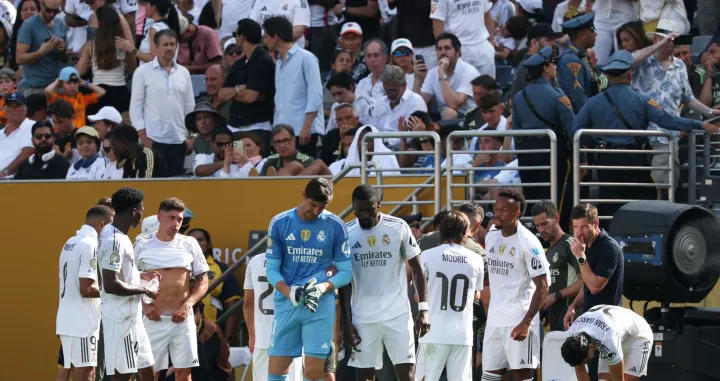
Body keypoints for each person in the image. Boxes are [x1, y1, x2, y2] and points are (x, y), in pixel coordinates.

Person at [572, 50, 719, 219]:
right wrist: (700, 123)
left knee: (609, 207)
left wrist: (594, 143)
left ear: (608, 76)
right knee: (641, 207)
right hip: (636, 159)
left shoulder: (593, 102)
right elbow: (668, 120)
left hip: (606, 160)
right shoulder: (641, 100)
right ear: (629, 74)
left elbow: (576, 127)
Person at [265, 178, 352, 381]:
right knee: (276, 372)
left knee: (313, 374)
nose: (316, 212)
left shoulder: (335, 225)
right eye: (313, 205)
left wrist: (322, 288)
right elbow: (271, 270)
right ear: (303, 194)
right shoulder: (280, 222)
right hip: (287, 302)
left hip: (319, 305)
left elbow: (346, 272)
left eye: (321, 208)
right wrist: (290, 292)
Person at [340, 184, 428, 381]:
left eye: (369, 209)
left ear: (378, 204)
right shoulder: (346, 233)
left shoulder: (398, 227)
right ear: (353, 206)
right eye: (359, 209)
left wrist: (423, 308)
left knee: (408, 375)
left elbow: (418, 268)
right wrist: (346, 322)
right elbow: (344, 282)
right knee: (364, 377)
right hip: (362, 318)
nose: (364, 215)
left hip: (397, 314)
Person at [134, 198, 210, 380]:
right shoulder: (141, 244)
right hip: (152, 318)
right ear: (160, 217)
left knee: (184, 373)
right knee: (148, 373)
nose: (176, 223)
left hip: (182, 319)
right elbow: (129, 279)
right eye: (171, 217)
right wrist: (144, 306)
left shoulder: (190, 243)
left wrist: (188, 305)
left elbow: (203, 280)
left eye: (180, 219)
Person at [482, 188, 550, 381]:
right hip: (495, 320)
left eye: (504, 209)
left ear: (517, 214)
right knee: (489, 375)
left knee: (521, 374)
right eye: (496, 208)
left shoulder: (528, 243)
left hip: (519, 318)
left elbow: (543, 286)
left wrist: (526, 322)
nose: (498, 213)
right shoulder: (491, 235)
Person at [512, 45, 575, 229]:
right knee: (555, 196)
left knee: (532, 196)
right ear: (546, 68)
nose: (556, 67)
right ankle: (556, 233)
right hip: (553, 152)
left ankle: (535, 231)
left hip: (527, 154)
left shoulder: (519, 96)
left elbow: (516, 130)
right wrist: (582, 159)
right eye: (553, 63)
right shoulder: (558, 95)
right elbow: (571, 128)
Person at [417, 211, 484, 381]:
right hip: (462, 333)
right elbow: (476, 295)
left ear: (441, 231)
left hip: (433, 332)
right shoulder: (476, 259)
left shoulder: (427, 256)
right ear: (464, 233)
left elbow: (419, 298)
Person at [99, 186, 157, 380]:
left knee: (148, 370)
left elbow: (121, 274)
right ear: (134, 211)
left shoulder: (117, 235)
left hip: (133, 318)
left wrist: (142, 276)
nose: (141, 215)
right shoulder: (113, 240)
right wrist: (144, 290)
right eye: (141, 210)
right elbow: (111, 284)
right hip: (120, 318)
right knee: (124, 375)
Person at [56, 205, 113, 381]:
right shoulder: (89, 245)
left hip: (69, 319)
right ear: (102, 225)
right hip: (82, 323)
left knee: (76, 372)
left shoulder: (71, 241)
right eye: (110, 226)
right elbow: (86, 289)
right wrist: (113, 290)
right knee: (86, 373)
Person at [129, 29, 195, 177]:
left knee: (175, 189)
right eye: (165, 44)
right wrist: (143, 136)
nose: (169, 48)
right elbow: (135, 107)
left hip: (179, 141)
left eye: (172, 44)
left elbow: (189, 107)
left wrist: (191, 137)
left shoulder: (184, 72)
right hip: (153, 139)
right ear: (156, 47)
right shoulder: (142, 72)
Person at [263, 16, 324, 158]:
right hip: (283, 135)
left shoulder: (306, 58)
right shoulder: (278, 63)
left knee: (305, 172)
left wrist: (307, 126)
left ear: (276, 37)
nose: (264, 41)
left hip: (303, 132)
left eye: (266, 37)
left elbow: (315, 94)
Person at [243, 246, 303, 381]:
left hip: (262, 337)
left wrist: (252, 334)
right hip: (291, 336)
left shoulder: (255, 261)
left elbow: (247, 303)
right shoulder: (299, 261)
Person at [219, 18, 275, 148]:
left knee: (255, 166)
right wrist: (239, 89)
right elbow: (221, 94)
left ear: (242, 36)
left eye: (235, 34)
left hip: (257, 128)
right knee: (238, 166)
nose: (235, 38)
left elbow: (250, 97)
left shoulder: (263, 60)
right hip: (235, 128)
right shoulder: (239, 64)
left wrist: (234, 92)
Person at [562, 305, 654, 381]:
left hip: (637, 336)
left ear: (590, 345)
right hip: (613, 331)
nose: (586, 362)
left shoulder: (608, 339)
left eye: (586, 359)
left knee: (627, 379)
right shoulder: (573, 337)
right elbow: (579, 368)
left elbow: (618, 379)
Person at [530, 200, 582, 332]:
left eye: (545, 224)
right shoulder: (549, 250)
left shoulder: (570, 245)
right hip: (555, 320)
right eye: (537, 226)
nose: (541, 230)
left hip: (571, 321)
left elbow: (585, 282)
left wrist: (556, 296)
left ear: (557, 218)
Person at [75, 5, 136, 117]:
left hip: (98, 93)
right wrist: (130, 50)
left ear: (99, 23)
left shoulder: (90, 46)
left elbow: (79, 72)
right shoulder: (123, 43)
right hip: (120, 94)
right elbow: (132, 69)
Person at [419, 33, 479, 120]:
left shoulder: (469, 71)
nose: (443, 52)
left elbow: (454, 105)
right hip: (443, 117)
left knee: (449, 112)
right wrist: (418, 79)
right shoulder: (433, 72)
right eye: (439, 49)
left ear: (457, 53)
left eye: (447, 48)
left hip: (469, 118)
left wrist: (442, 74)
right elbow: (420, 103)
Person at [15, 0, 68, 96]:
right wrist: (40, 52)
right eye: (48, 10)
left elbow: (63, 59)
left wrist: (63, 50)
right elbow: (19, 59)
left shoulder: (60, 24)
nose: (52, 14)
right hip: (35, 88)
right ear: (41, 4)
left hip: (56, 85)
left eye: (56, 11)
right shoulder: (29, 25)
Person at [430, 0, 495, 76]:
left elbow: (487, 15)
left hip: (482, 46)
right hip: (458, 48)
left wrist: (491, 40)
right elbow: (437, 24)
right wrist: (444, 50)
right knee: (458, 86)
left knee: (488, 85)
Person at [557, 13, 597, 113]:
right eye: (592, 30)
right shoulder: (571, 60)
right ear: (582, 35)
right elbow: (578, 97)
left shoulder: (581, 56)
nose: (595, 34)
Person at [192, 126, 261, 177]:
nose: (223, 148)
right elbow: (199, 171)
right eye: (220, 144)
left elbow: (254, 181)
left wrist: (244, 163)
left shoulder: (238, 162)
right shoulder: (202, 157)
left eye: (227, 144)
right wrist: (226, 163)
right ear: (212, 144)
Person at [190, 302, 234, 381]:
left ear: (199, 312)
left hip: (211, 373)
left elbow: (207, 361)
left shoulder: (212, 330)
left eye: (192, 314)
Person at [0, 91, 35, 178]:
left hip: (14, 181)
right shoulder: (1, 133)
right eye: (10, 106)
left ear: (25, 109)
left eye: (17, 106)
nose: (13, 110)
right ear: (5, 109)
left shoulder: (32, 126)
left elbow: (27, 152)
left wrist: (4, 172)